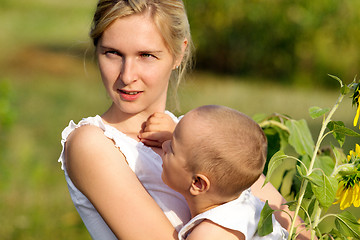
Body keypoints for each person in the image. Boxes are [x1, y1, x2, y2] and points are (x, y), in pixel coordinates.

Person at [58, 1, 309, 239]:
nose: (127, 75)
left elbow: (299, 229)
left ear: (179, 52)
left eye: (146, 55)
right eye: (112, 53)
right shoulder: (91, 144)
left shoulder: (203, 138)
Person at [161, 105, 288, 240]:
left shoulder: (210, 234)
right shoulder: (244, 203)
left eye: (172, 148)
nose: (163, 145)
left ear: (198, 183)